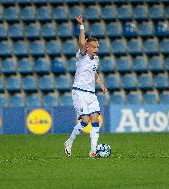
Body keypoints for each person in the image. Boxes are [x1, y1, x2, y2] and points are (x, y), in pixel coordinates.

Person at [64, 16, 108, 158]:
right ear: (88, 48)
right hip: (79, 92)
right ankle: (69, 142)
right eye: (94, 47)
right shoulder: (82, 55)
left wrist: (101, 85)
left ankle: (93, 150)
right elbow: (81, 42)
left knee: (95, 119)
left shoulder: (96, 59)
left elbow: (94, 74)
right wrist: (81, 26)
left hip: (91, 94)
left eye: (97, 47)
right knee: (85, 120)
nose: (96, 49)